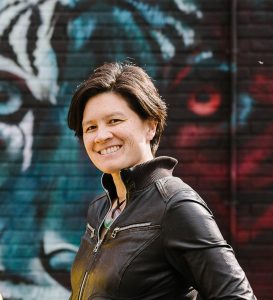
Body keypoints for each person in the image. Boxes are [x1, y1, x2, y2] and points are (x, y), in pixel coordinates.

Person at [67, 62, 256, 300]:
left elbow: (237, 296)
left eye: (114, 121)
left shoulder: (175, 205)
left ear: (151, 126)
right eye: (91, 127)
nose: (101, 136)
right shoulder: (100, 209)